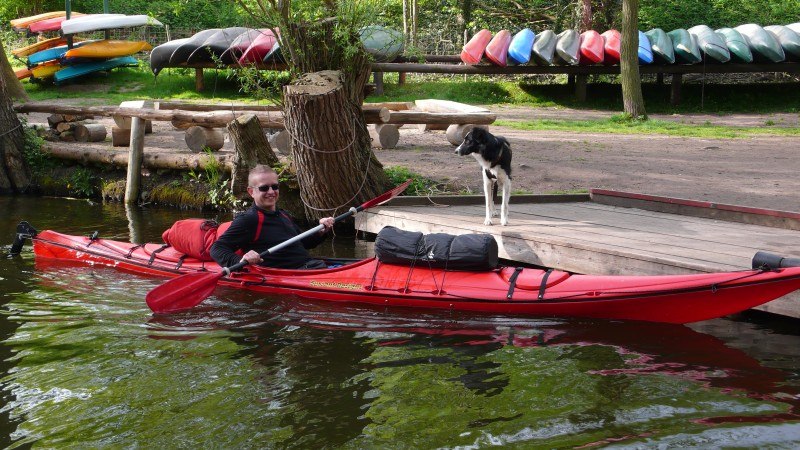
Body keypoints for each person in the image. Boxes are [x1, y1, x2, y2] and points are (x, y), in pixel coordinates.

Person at [210, 165, 335, 270]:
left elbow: (303, 243)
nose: (271, 192)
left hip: (310, 268)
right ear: (251, 192)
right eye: (264, 188)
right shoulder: (249, 220)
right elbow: (217, 249)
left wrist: (321, 231)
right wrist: (241, 260)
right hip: (290, 274)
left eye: (275, 187)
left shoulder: (283, 215)